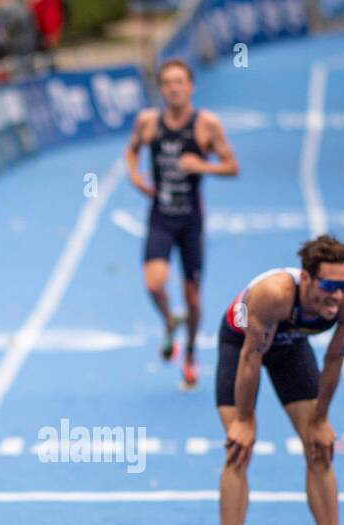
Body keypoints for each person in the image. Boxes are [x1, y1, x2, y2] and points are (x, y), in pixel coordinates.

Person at [215, 235, 344, 525]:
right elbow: (252, 357)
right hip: (243, 345)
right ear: (306, 279)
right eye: (328, 285)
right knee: (238, 449)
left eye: (342, 285)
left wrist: (320, 419)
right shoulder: (274, 294)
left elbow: (334, 359)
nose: (336, 295)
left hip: (290, 346)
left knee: (319, 447)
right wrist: (246, 420)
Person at [126, 58, 239, 389]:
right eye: (167, 83)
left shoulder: (207, 125)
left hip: (191, 221)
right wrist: (135, 178)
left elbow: (233, 166)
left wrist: (202, 166)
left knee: (192, 298)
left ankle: (189, 354)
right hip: (160, 216)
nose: (174, 88)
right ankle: (168, 321)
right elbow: (131, 152)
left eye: (180, 82)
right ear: (160, 89)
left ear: (191, 86)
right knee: (153, 283)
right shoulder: (148, 123)